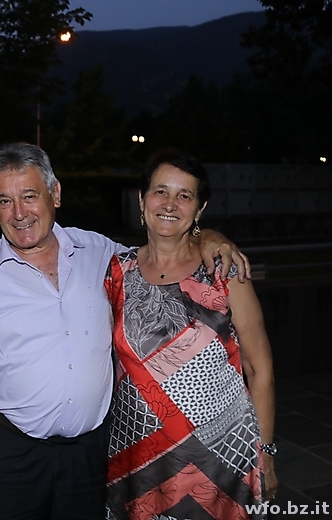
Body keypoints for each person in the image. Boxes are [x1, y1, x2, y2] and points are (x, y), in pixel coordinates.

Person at [0, 142, 251, 520]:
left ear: (55, 194)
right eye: (4, 201)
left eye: (29, 196)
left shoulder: (100, 253)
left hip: (90, 454)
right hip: (11, 454)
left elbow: (163, 250)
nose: (19, 213)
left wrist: (207, 236)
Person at [104, 148, 277, 519]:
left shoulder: (224, 273)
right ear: (142, 200)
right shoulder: (117, 272)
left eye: (184, 195)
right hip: (137, 462)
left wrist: (267, 454)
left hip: (220, 461)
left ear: (199, 210)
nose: (170, 204)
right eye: (160, 191)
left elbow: (259, 369)